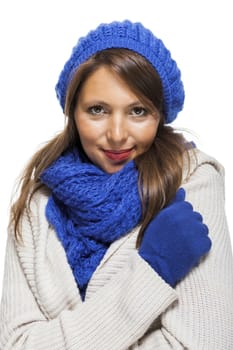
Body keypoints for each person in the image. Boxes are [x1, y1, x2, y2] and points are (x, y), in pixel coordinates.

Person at [0, 19, 232, 350]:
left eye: (138, 111)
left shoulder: (192, 181)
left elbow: (206, 343)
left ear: (160, 115)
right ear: (73, 112)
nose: (118, 134)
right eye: (97, 110)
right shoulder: (35, 205)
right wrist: (153, 271)